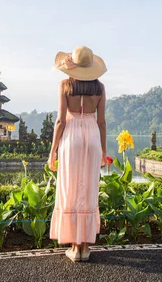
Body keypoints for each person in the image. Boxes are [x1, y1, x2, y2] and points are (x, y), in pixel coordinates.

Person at [48, 46, 107, 262]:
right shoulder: (100, 88)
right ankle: (85, 247)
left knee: (70, 188)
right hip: (91, 136)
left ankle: (74, 247)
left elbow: (61, 121)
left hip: (71, 138)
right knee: (88, 188)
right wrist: (103, 150)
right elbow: (101, 122)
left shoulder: (64, 85)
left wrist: (52, 151)